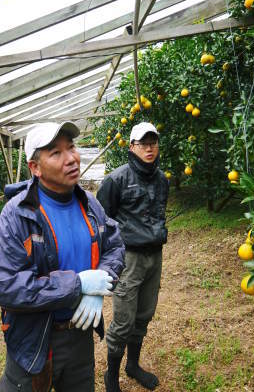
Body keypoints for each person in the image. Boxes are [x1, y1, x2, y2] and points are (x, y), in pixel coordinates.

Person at [0, 121, 125, 392]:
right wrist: (77, 284)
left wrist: (99, 284)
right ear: (35, 168)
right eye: (55, 153)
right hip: (33, 339)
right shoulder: (18, 215)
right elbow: (7, 287)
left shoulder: (89, 203)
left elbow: (115, 245)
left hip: (79, 332)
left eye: (71, 147)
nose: (71, 158)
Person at [97, 122, 169, 392]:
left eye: (153, 142)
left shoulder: (162, 179)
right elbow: (102, 220)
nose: (149, 148)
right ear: (131, 147)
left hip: (155, 256)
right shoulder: (117, 180)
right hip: (129, 258)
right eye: (143, 143)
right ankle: (112, 375)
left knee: (144, 314)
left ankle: (133, 365)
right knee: (124, 320)